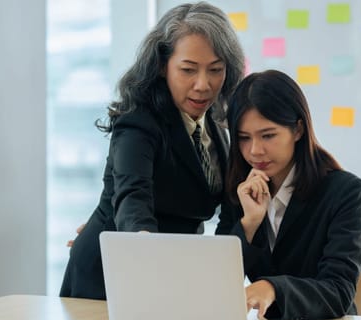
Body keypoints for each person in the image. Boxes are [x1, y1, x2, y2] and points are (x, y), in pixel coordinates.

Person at [60, 2, 245, 299]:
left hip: (173, 273)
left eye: (216, 70)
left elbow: (229, 213)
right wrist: (145, 247)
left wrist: (217, 273)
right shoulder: (139, 121)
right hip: (111, 276)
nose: (203, 85)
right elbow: (133, 199)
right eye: (187, 70)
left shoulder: (216, 126)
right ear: (162, 65)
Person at [215, 70, 361, 320]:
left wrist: (272, 288)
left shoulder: (344, 192)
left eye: (268, 135)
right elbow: (218, 283)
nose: (255, 150)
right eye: (243, 138)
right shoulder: (239, 190)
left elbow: (339, 292)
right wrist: (249, 224)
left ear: (297, 130)